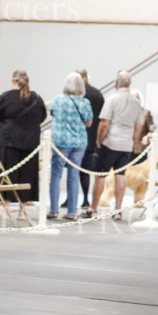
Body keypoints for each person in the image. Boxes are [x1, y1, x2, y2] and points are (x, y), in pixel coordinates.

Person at [0, 70, 47, 215]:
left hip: (10, 139)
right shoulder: (37, 98)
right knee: (28, 174)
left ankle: (5, 209)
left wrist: (2, 118)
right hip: (31, 141)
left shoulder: (8, 96)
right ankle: (22, 211)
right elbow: (42, 116)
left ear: (14, 81)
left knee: (7, 173)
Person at [84, 71, 144, 219]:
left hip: (110, 143)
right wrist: (132, 139)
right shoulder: (137, 103)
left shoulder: (112, 99)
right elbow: (138, 126)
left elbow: (104, 123)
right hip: (126, 145)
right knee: (120, 175)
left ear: (116, 83)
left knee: (100, 175)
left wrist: (99, 140)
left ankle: (93, 208)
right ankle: (117, 210)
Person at [48, 72, 93, 220]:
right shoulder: (85, 103)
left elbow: (52, 112)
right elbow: (89, 123)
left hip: (61, 141)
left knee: (56, 174)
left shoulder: (58, 100)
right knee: (74, 175)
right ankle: (72, 212)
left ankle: (53, 210)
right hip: (79, 142)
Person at [76, 69, 105, 208]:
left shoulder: (76, 94)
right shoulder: (97, 94)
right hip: (92, 137)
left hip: (76, 136)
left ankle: (70, 199)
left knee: (73, 170)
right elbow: (102, 117)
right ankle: (86, 199)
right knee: (86, 170)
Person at [131, 89, 155, 157]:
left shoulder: (145, 113)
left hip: (140, 147)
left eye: (136, 97)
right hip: (127, 147)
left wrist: (146, 137)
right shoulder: (126, 113)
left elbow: (152, 130)